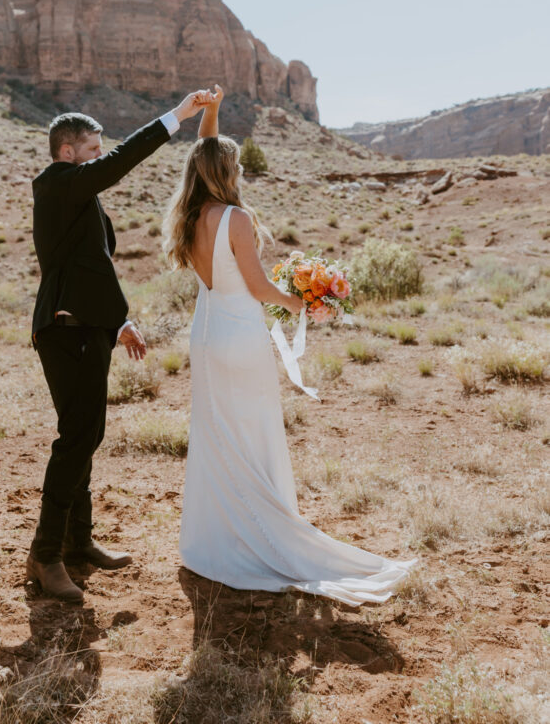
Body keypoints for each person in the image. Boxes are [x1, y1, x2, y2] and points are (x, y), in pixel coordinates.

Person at [163, 86, 417, 606]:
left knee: (217, 432)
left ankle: (215, 538)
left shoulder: (190, 218)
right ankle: (263, 535)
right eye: (235, 167)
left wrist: (210, 114)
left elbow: (205, 150)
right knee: (252, 432)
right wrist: (305, 300)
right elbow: (258, 289)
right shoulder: (235, 219)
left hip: (206, 335)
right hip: (239, 335)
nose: (240, 174)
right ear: (225, 173)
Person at [27, 90, 212, 603]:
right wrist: (176, 116)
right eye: (92, 148)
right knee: (77, 437)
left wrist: (118, 323)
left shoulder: (77, 196)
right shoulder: (57, 183)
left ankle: (77, 540)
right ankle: (45, 555)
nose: (98, 156)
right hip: (65, 332)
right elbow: (122, 161)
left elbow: (92, 269)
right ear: (68, 152)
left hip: (87, 330)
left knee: (86, 434)